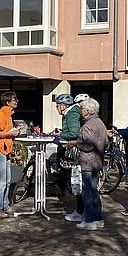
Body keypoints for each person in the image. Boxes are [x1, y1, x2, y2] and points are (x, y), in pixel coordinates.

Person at [73, 97, 108, 230]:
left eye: (82, 108)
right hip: (97, 161)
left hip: (88, 162)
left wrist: (76, 143)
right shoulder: (100, 123)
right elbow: (106, 142)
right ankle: (98, 218)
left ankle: (90, 220)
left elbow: (88, 145)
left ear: (87, 111)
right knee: (94, 191)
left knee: (88, 192)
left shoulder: (87, 126)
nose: (81, 110)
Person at [53, 94, 85, 222]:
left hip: (76, 152)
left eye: (57, 105)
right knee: (77, 181)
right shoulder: (70, 114)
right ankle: (81, 211)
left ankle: (81, 212)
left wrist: (60, 135)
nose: (56, 108)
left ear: (63, 106)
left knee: (78, 181)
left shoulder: (71, 115)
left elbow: (74, 133)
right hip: (76, 150)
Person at [0, 92, 20, 219]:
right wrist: (9, 133)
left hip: (5, 149)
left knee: (7, 180)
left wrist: (14, 131)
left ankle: (5, 204)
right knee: (0, 181)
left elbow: (6, 132)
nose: (16, 101)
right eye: (14, 100)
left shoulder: (9, 114)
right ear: (7, 102)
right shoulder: (2, 114)